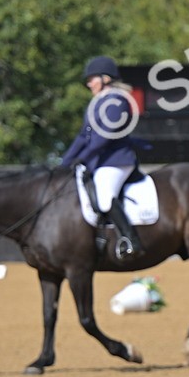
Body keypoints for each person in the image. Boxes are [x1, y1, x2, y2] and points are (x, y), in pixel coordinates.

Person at [61, 56, 144, 260]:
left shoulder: (117, 100)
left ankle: (130, 240)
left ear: (106, 78)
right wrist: (63, 164)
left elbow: (105, 136)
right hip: (99, 161)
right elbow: (83, 137)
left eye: (92, 79)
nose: (89, 83)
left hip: (117, 160)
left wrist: (82, 158)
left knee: (105, 196)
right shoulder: (96, 103)